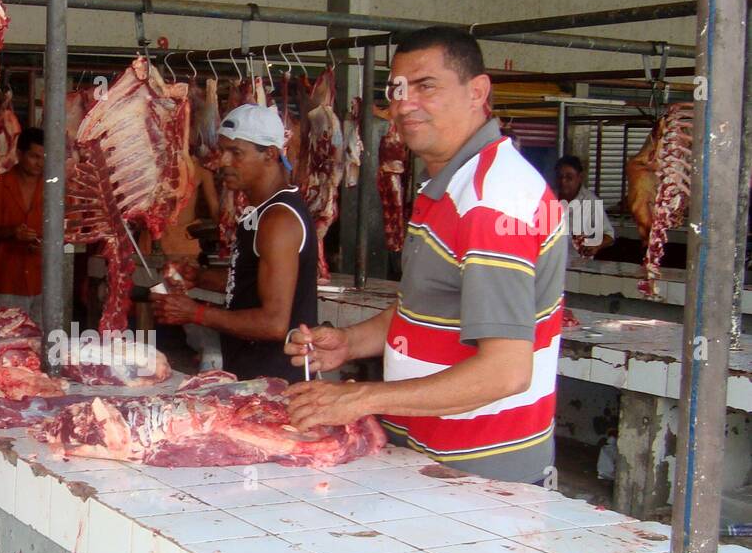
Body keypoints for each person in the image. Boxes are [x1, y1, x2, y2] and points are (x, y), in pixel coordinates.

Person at [285, 27, 568, 485]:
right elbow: (427, 307)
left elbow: (506, 371)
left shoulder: (492, 199)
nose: (404, 103)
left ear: (478, 92)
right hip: (426, 463)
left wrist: (362, 399)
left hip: (481, 480)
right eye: (397, 89)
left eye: (426, 86)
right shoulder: (449, 186)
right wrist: (350, 342)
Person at [151, 104, 317, 381]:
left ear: (270, 154)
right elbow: (254, 282)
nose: (223, 161)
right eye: (223, 150)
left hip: (277, 381)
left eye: (236, 153)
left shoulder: (279, 219)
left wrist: (196, 313)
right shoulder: (260, 211)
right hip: (254, 372)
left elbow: (275, 323)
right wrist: (201, 278)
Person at [0, 126, 45, 318]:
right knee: (7, 343)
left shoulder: (54, 188)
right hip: (8, 280)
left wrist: (48, 245)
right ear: (19, 154)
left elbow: (69, 230)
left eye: (44, 157)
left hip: (44, 281)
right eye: (35, 157)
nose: (40, 163)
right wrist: (11, 232)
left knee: (43, 343)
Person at [554, 153, 614, 256]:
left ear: (580, 177)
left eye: (569, 178)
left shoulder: (590, 201)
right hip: (553, 261)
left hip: (580, 264)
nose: (563, 181)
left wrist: (595, 246)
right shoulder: (548, 198)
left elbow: (609, 235)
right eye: (560, 177)